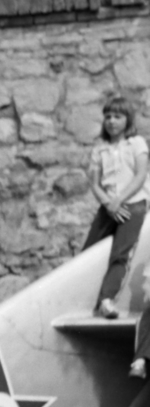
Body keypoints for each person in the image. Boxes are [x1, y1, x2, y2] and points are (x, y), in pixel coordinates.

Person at [83, 95, 149, 319]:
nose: (112, 121)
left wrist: (120, 200)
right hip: (108, 205)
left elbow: (140, 175)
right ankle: (86, 301)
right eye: (108, 117)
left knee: (120, 254)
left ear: (127, 120)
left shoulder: (136, 143)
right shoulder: (100, 149)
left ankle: (106, 300)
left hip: (131, 204)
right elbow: (94, 181)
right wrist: (108, 203)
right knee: (88, 253)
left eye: (117, 117)